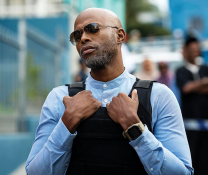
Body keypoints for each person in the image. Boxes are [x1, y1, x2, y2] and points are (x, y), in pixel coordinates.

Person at [26, 8, 193, 175]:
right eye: (76, 36)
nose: (83, 38)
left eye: (92, 28)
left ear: (120, 35)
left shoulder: (159, 96)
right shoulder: (60, 98)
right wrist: (67, 122)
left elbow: (182, 173)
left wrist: (135, 128)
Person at [176, 37, 208, 175]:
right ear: (186, 51)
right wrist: (204, 83)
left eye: (197, 49)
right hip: (190, 120)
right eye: (192, 49)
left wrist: (196, 86)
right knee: (192, 152)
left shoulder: (206, 68)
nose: (195, 52)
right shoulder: (181, 70)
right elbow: (186, 88)